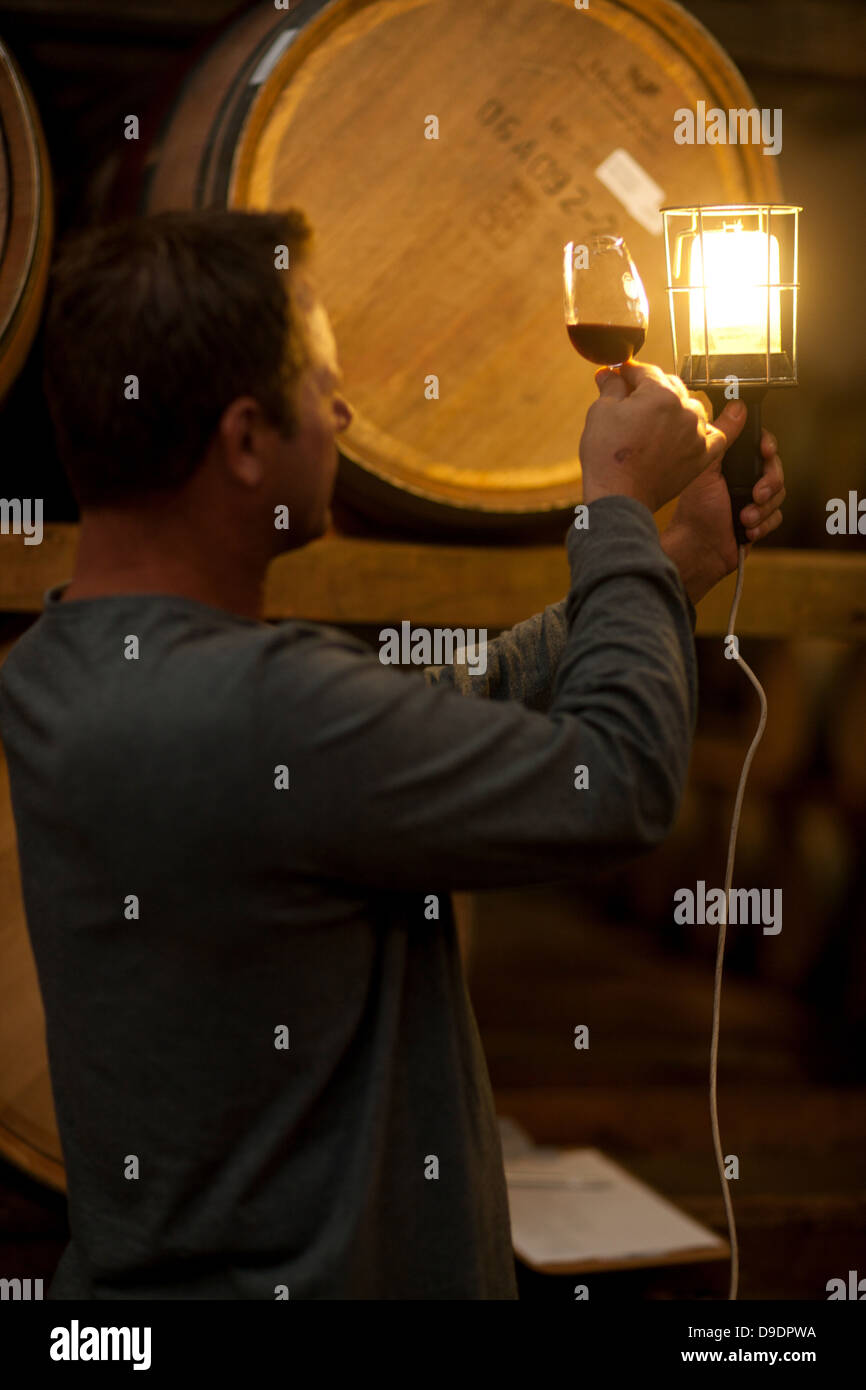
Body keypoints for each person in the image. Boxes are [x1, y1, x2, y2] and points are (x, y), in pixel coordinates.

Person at [0, 209, 785, 1300]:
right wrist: (607, 506)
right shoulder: (260, 709)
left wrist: (661, 562)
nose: (343, 409)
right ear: (240, 441)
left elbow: (417, 721)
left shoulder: (59, 663)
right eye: (318, 383)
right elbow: (616, 781)